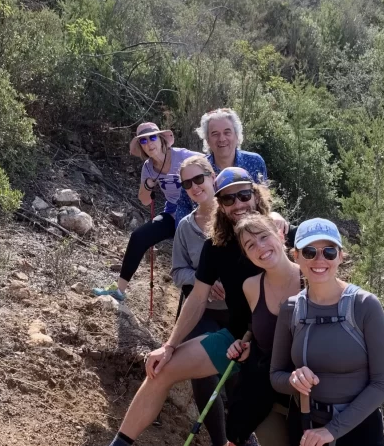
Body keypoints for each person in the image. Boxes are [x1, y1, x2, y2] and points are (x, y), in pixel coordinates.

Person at [107, 167, 295, 446]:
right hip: (236, 338)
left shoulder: (278, 234)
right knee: (162, 369)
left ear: (255, 196)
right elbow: (197, 298)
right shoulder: (215, 247)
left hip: (281, 345)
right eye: (228, 200)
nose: (238, 204)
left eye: (244, 195)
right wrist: (169, 346)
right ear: (220, 205)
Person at [270, 219, 384, 446]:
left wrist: (331, 431)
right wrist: (293, 379)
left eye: (329, 251)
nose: (320, 260)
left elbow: (382, 385)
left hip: (360, 430)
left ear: (340, 256)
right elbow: (276, 375)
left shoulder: (365, 306)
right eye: (309, 252)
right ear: (295, 256)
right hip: (305, 425)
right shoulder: (291, 309)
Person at [93, 122, 202, 301]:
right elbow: (144, 200)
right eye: (143, 141)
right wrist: (147, 184)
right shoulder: (148, 167)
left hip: (197, 212)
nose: (149, 143)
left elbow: (211, 168)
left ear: (161, 139)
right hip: (173, 213)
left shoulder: (184, 156)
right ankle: (119, 290)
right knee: (139, 237)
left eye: (152, 137)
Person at [224, 214, 303, 445]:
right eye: (250, 245)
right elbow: (261, 334)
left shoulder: (310, 278)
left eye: (264, 236)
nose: (260, 247)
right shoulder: (251, 287)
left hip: (306, 397)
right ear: (247, 255)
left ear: (280, 235)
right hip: (265, 396)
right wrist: (246, 346)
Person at [170, 155, 233, 446]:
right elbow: (177, 270)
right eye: (187, 183)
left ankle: (241, 435)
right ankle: (219, 442)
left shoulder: (235, 213)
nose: (194, 186)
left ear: (212, 177)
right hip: (202, 309)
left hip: (237, 310)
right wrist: (203, 281)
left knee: (237, 376)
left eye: (199, 179)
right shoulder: (185, 226)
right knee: (202, 374)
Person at [175, 108, 268, 223]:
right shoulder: (197, 168)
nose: (222, 139)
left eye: (227, 132)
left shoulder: (255, 162)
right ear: (207, 140)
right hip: (206, 231)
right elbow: (183, 206)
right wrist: (184, 234)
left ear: (237, 136)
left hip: (248, 229)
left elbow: (263, 201)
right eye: (215, 134)